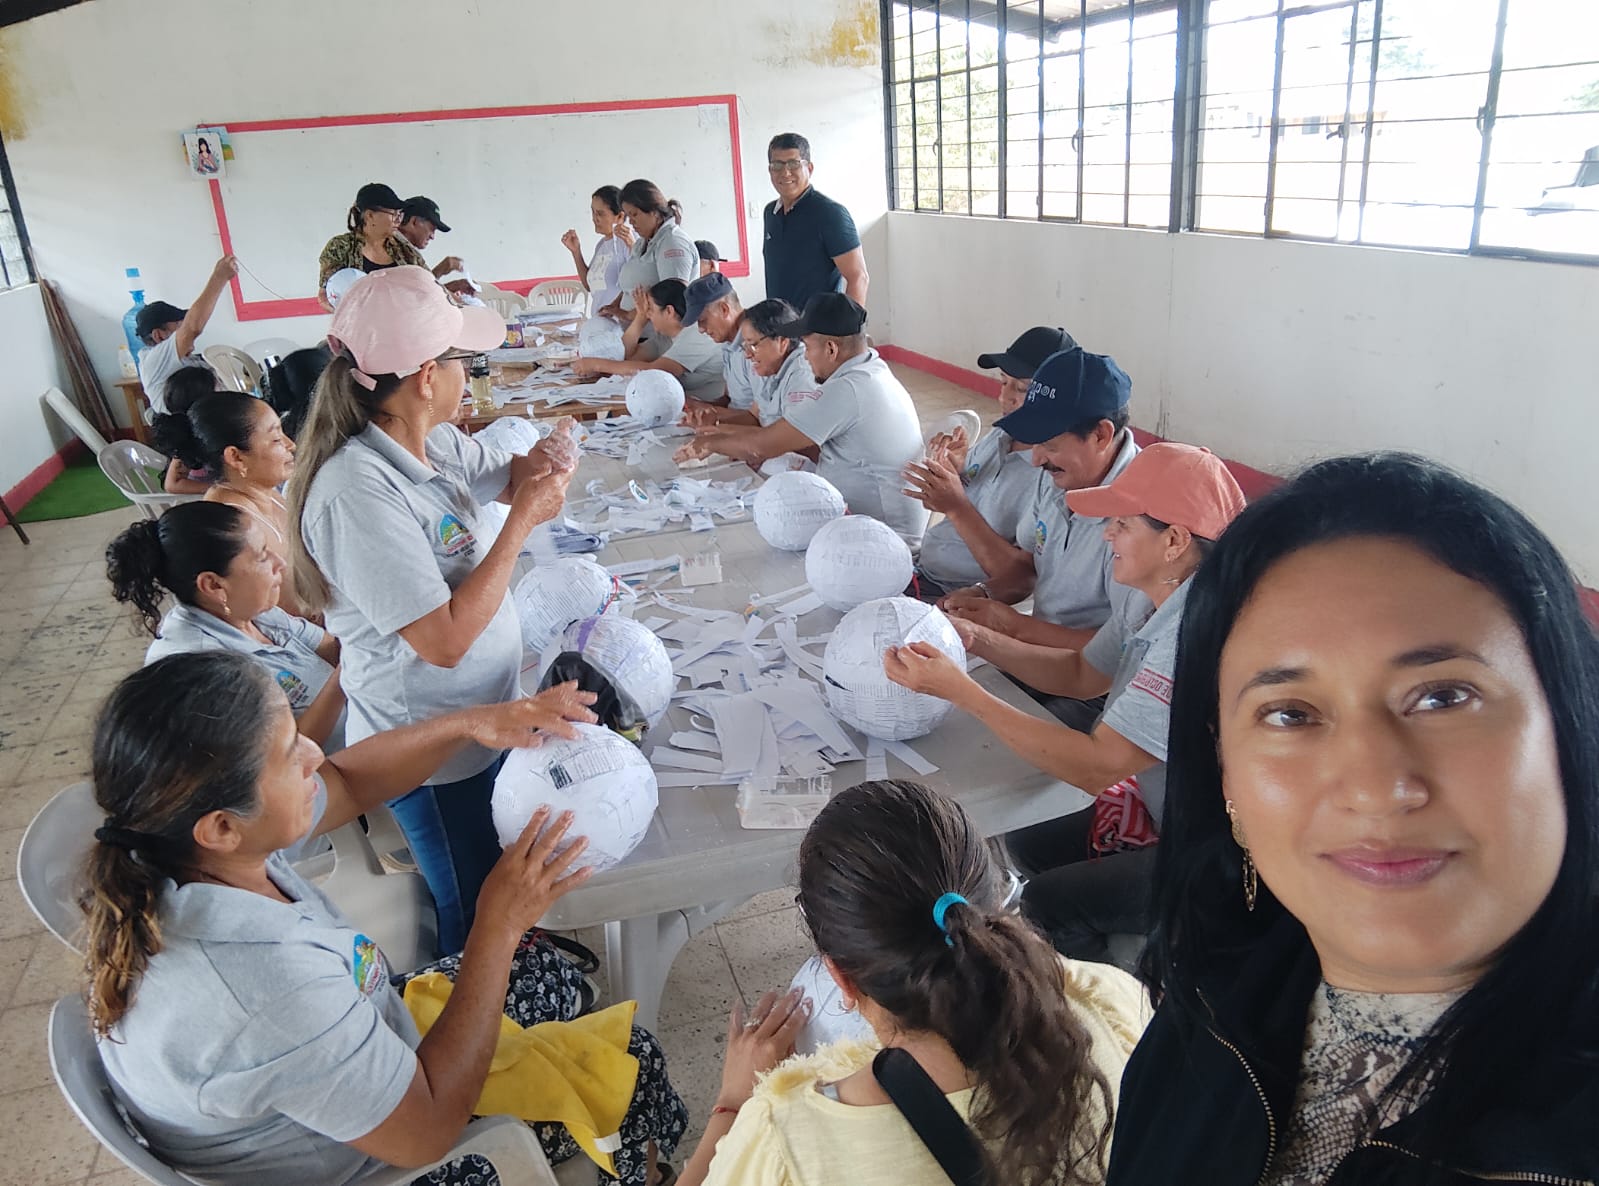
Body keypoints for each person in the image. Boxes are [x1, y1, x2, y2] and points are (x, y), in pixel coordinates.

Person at [1107, 453, 1599, 1185]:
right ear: (1226, 776)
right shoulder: (1201, 1016)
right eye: (1289, 714)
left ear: (1568, 727)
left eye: (1443, 697)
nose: (1374, 788)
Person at [85, 651, 689, 1186]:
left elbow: (347, 781)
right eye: (290, 754)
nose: (315, 753)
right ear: (220, 826)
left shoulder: (183, 852)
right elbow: (428, 1131)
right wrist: (496, 924)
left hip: (361, 1045)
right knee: (632, 1066)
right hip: (384, 1158)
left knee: (543, 970)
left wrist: (473, 723)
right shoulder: (259, 988)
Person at [287, 266, 577, 955]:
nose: (467, 374)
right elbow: (442, 643)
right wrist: (521, 523)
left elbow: (509, 477)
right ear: (425, 376)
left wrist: (545, 462)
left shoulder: (432, 441)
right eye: (460, 361)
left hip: (483, 718)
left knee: (501, 885)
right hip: (429, 748)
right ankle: (465, 1006)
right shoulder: (356, 493)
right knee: (474, 905)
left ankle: (514, 982)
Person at [679, 779, 1147, 1186]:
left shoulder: (789, 1144)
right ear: (990, 906)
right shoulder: (1107, 998)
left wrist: (733, 1102)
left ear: (840, 978)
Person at [884, 443, 1246, 965]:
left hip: (1216, 854)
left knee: (1045, 906)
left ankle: (1115, 994)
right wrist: (979, 639)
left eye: (1122, 524)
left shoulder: (1195, 634)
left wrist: (961, 691)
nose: (1107, 535)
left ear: (1174, 540)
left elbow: (1098, 766)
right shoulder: (1151, 598)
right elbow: (1080, 673)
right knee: (1032, 840)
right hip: (1165, 808)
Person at [941, 346, 1147, 664]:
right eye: (1035, 442)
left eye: (1049, 444)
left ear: (1101, 435)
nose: (1036, 460)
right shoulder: (1058, 476)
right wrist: (983, 594)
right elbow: (1029, 569)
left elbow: (1124, 650)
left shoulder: (1142, 519)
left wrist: (1014, 626)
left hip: (1092, 679)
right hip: (1039, 651)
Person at [676, 294, 927, 545]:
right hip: (864, 521)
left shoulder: (848, 388)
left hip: (882, 538)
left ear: (831, 349)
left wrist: (710, 443)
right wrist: (717, 433)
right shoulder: (871, 370)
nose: (805, 356)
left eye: (807, 347)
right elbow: (762, 429)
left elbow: (763, 445)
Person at [106, 503, 345, 749]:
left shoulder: (251, 610)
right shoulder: (201, 668)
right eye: (262, 555)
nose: (279, 562)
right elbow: (282, 753)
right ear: (214, 585)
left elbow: (329, 647)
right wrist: (347, 673)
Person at [909, 327, 1077, 601]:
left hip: (958, 594)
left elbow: (1021, 579)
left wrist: (955, 506)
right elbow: (966, 497)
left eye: (1022, 388)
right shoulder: (1002, 434)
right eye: (1003, 382)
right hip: (922, 568)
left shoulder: (1052, 474)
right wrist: (955, 470)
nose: (1004, 397)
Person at [151, 392, 307, 619]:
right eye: (276, 439)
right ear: (236, 457)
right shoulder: (232, 525)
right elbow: (263, 615)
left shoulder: (266, 492)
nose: (290, 445)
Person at [762, 132, 868, 309]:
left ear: (809, 168)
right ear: (770, 170)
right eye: (777, 165)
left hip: (820, 324)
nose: (785, 173)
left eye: (794, 164)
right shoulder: (770, 213)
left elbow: (858, 278)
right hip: (779, 323)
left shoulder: (830, 214)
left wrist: (847, 326)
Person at [573, 278, 724, 398]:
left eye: (650, 309)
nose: (648, 314)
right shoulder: (665, 336)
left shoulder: (697, 333)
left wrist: (597, 365)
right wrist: (640, 318)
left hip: (706, 407)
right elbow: (626, 356)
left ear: (669, 311)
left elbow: (656, 370)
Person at [135, 254, 237, 414]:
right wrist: (220, 276)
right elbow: (193, 328)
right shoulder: (153, 361)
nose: (186, 333)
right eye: (179, 326)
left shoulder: (188, 361)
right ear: (159, 335)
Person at [601, 179, 698, 324]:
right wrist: (615, 306)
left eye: (635, 214)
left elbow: (673, 298)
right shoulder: (642, 242)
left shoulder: (672, 242)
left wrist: (627, 315)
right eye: (629, 216)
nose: (631, 222)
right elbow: (632, 285)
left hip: (660, 334)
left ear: (654, 212)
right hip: (635, 331)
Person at [317, 183, 426, 310]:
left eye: (400, 214)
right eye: (393, 214)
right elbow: (325, 297)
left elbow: (428, 284)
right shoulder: (341, 246)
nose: (398, 220)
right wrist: (352, 315)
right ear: (370, 215)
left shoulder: (404, 249)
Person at [677, 273, 759, 424]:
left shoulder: (758, 345)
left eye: (703, 320)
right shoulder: (728, 344)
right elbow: (729, 400)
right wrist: (698, 406)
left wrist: (713, 418)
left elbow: (759, 418)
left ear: (724, 309)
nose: (701, 329)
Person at [561, 185, 635, 314]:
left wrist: (632, 245)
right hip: (600, 319)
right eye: (593, 212)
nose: (594, 218)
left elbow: (639, 280)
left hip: (620, 321)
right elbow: (589, 286)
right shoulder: (601, 245)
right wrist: (576, 252)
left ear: (619, 216)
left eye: (600, 213)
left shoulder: (629, 241)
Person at [158, 367, 224, 495]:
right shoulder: (188, 435)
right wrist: (222, 489)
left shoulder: (213, 426)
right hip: (206, 499)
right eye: (218, 389)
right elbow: (172, 485)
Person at [398, 195, 467, 282]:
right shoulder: (390, 249)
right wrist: (439, 270)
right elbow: (414, 288)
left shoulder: (407, 251)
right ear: (414, 222)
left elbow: (417, 286)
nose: (432, 237)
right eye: (432, 229)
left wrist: (452, 286)